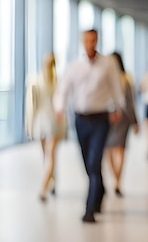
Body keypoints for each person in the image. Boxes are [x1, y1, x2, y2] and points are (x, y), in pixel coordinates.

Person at [53, 29, 125, 223]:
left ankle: (89, 209)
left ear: (97, 40)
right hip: (81, 120)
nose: (90, 43)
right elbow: (64, 88)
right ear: (82, 42)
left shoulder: (108, 64)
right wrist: (59, 108)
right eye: (87, 40)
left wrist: (118, 107)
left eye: (93, 40)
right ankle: (99, 190)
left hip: (101, 118)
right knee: (88, 163)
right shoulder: (75, 66)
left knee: (94, 162)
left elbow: (116, 86)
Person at [25, 53, 66, 201]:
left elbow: (31, 107)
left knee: (47, 155)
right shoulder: (56, 82)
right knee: (50, 155)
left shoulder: (36, 81)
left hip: (41, 122)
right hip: (52, 121)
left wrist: (29, 125)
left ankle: (44, 187)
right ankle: (51, 182)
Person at [105, 52, 139, 197]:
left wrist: (135, 121)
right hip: (110, 118)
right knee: (113, 149)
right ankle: (117, 179)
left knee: (116, 148)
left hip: (119, 117)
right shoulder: (109, 79)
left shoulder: (125, 79)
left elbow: (131, 102)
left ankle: (117, 179)